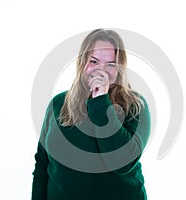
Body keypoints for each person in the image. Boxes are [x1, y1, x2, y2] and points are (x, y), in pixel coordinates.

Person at [32, 29, 151, 200]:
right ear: (82, 62)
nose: (101, 70)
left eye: (110, 64)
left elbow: (122, 163)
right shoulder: (58, 104)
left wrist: (101, 102)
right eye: (94, 61)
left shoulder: (135, 106)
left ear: (119, 68)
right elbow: (42, 164)